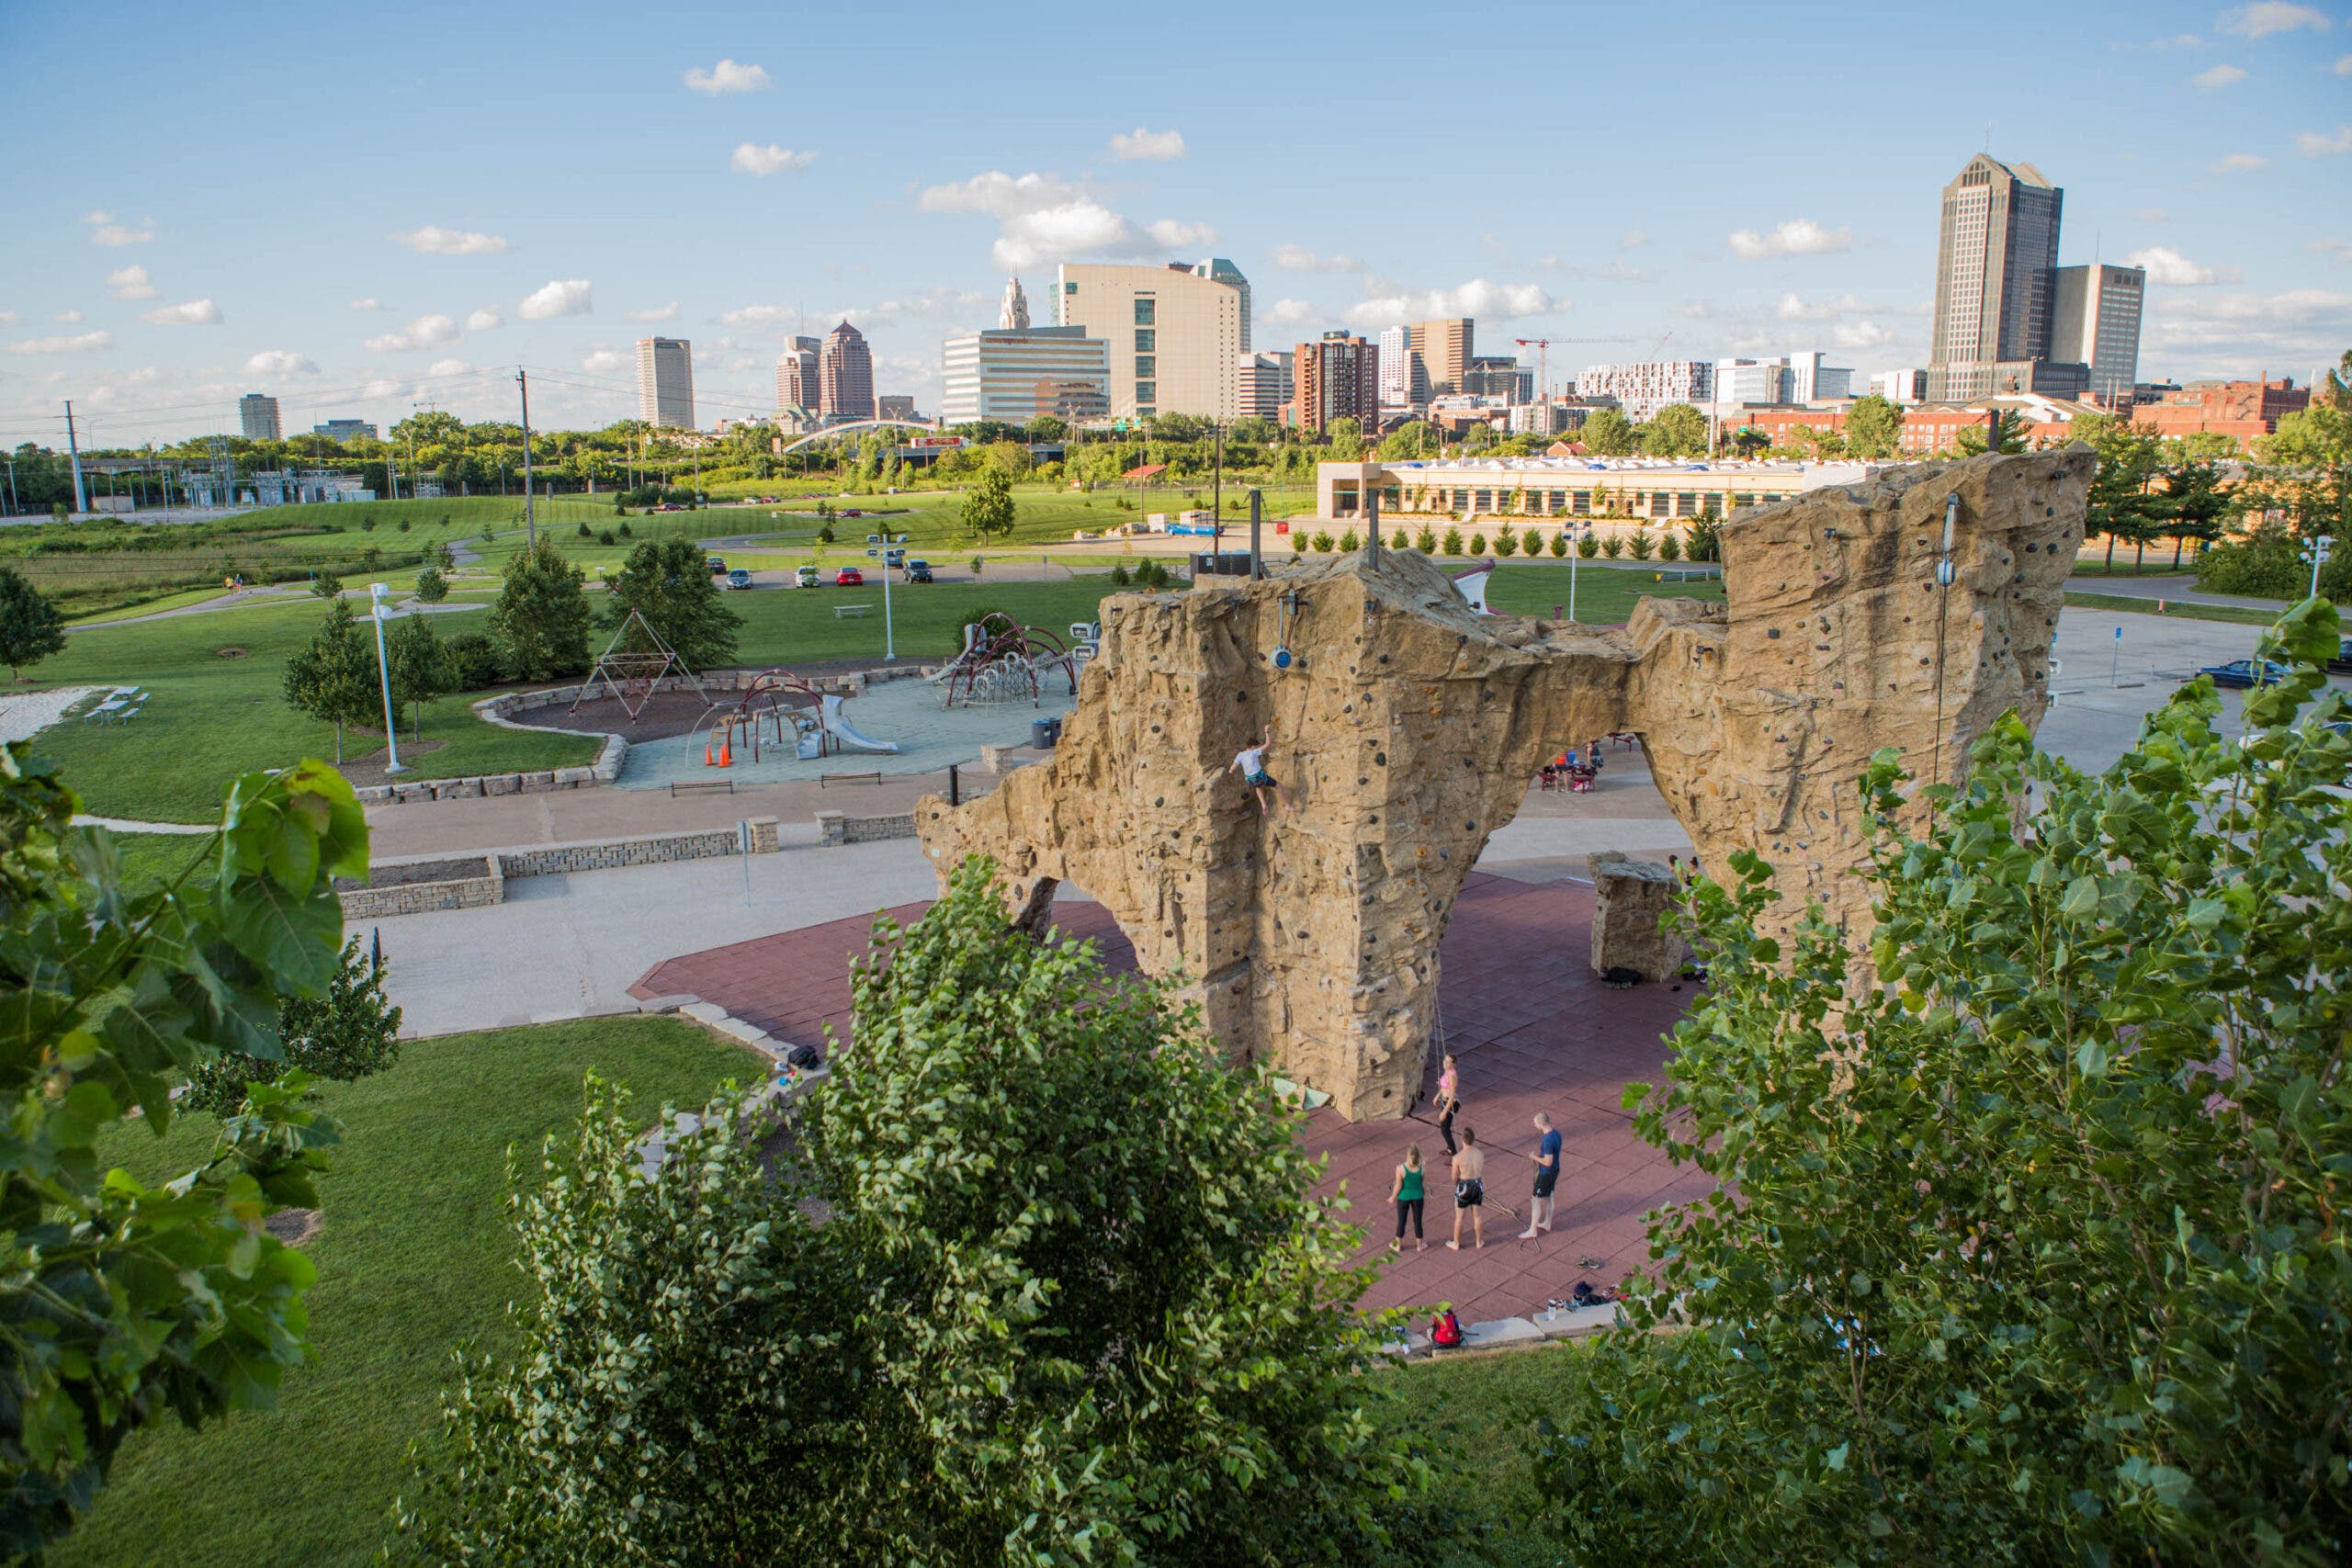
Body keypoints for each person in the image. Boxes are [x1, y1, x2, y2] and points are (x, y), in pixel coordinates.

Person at [1519, 1111, 1563, 1239]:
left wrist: (1534, 1157)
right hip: (1555, 1170)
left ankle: (1533, 1230)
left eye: (1536, 1123)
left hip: (1546, 1173)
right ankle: (1547, 1223)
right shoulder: (1556, 1133)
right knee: (1549, 1196)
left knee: (1536, 1200)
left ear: (1542, 1123)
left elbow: (1548, 1161)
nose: (1535, 1125)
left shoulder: (1547, 1140)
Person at [1229, 724, 1284, 817]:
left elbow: (1233, 767)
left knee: (1258, 788)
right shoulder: (1253, 753)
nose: (1258, 748)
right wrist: (1266, 731)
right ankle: (1285, 804)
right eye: (1257, 746)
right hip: (1259, 776)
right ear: (1253, 746)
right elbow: (1267, 744)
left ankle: (1263, 804)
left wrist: (1231, 771)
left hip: (1251, 779)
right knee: (1277, 785)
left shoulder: (1240, 755)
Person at [1447, 1128, 1486, 1250]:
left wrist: (1458, 1184)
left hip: (1464, 1185)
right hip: (1477, 1184)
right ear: (1473, 1140)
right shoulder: (1480, 1153)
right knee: (1477, 1215)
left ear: (1463, 1140)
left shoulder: (1457, 1157)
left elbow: (1454, 1177)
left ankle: (1456, 1243)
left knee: (1459, 1216)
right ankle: (1479, 1242)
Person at [1388, 1144, 1427, 1253]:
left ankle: (1397, 1245)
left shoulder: (1400, 1168)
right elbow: (1422, 1183)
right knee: (1418, 1221)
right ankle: (1419, 1245)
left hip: (1404, 1197)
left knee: (1402, 1221)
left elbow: (1399, 1185)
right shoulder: (1422, 1169)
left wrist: (1393, 1197)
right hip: (1418, 1196)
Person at [1433, 1053, 1461, 1155]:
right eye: (1444, 1060)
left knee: (1445, 1130)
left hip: (1450, 1103)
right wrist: (1437, 1096)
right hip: (1444, 1100)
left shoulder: (1452, 1075)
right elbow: (1444, 1087)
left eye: (1447, 1061)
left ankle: (1454, 1154)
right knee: (1445, 1128)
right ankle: (1450, 1148)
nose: (1444, 1063)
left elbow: (1452, 1094)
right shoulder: (1447, 1071)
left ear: (1453, 1064)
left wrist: (1444, 1112)